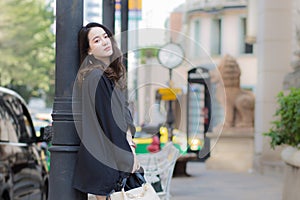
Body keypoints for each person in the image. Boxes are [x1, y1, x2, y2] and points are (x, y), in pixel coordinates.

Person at [72, 22, 139, 200]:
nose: (104, 41)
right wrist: (128, 159)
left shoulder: (107, 75)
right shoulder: (96, 77)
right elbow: (110, 123)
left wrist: (129, 141)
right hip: (106, 165)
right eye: (96, 40)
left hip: (109, 163)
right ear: (89, 51)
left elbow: (124, 116)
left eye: (105, 36)